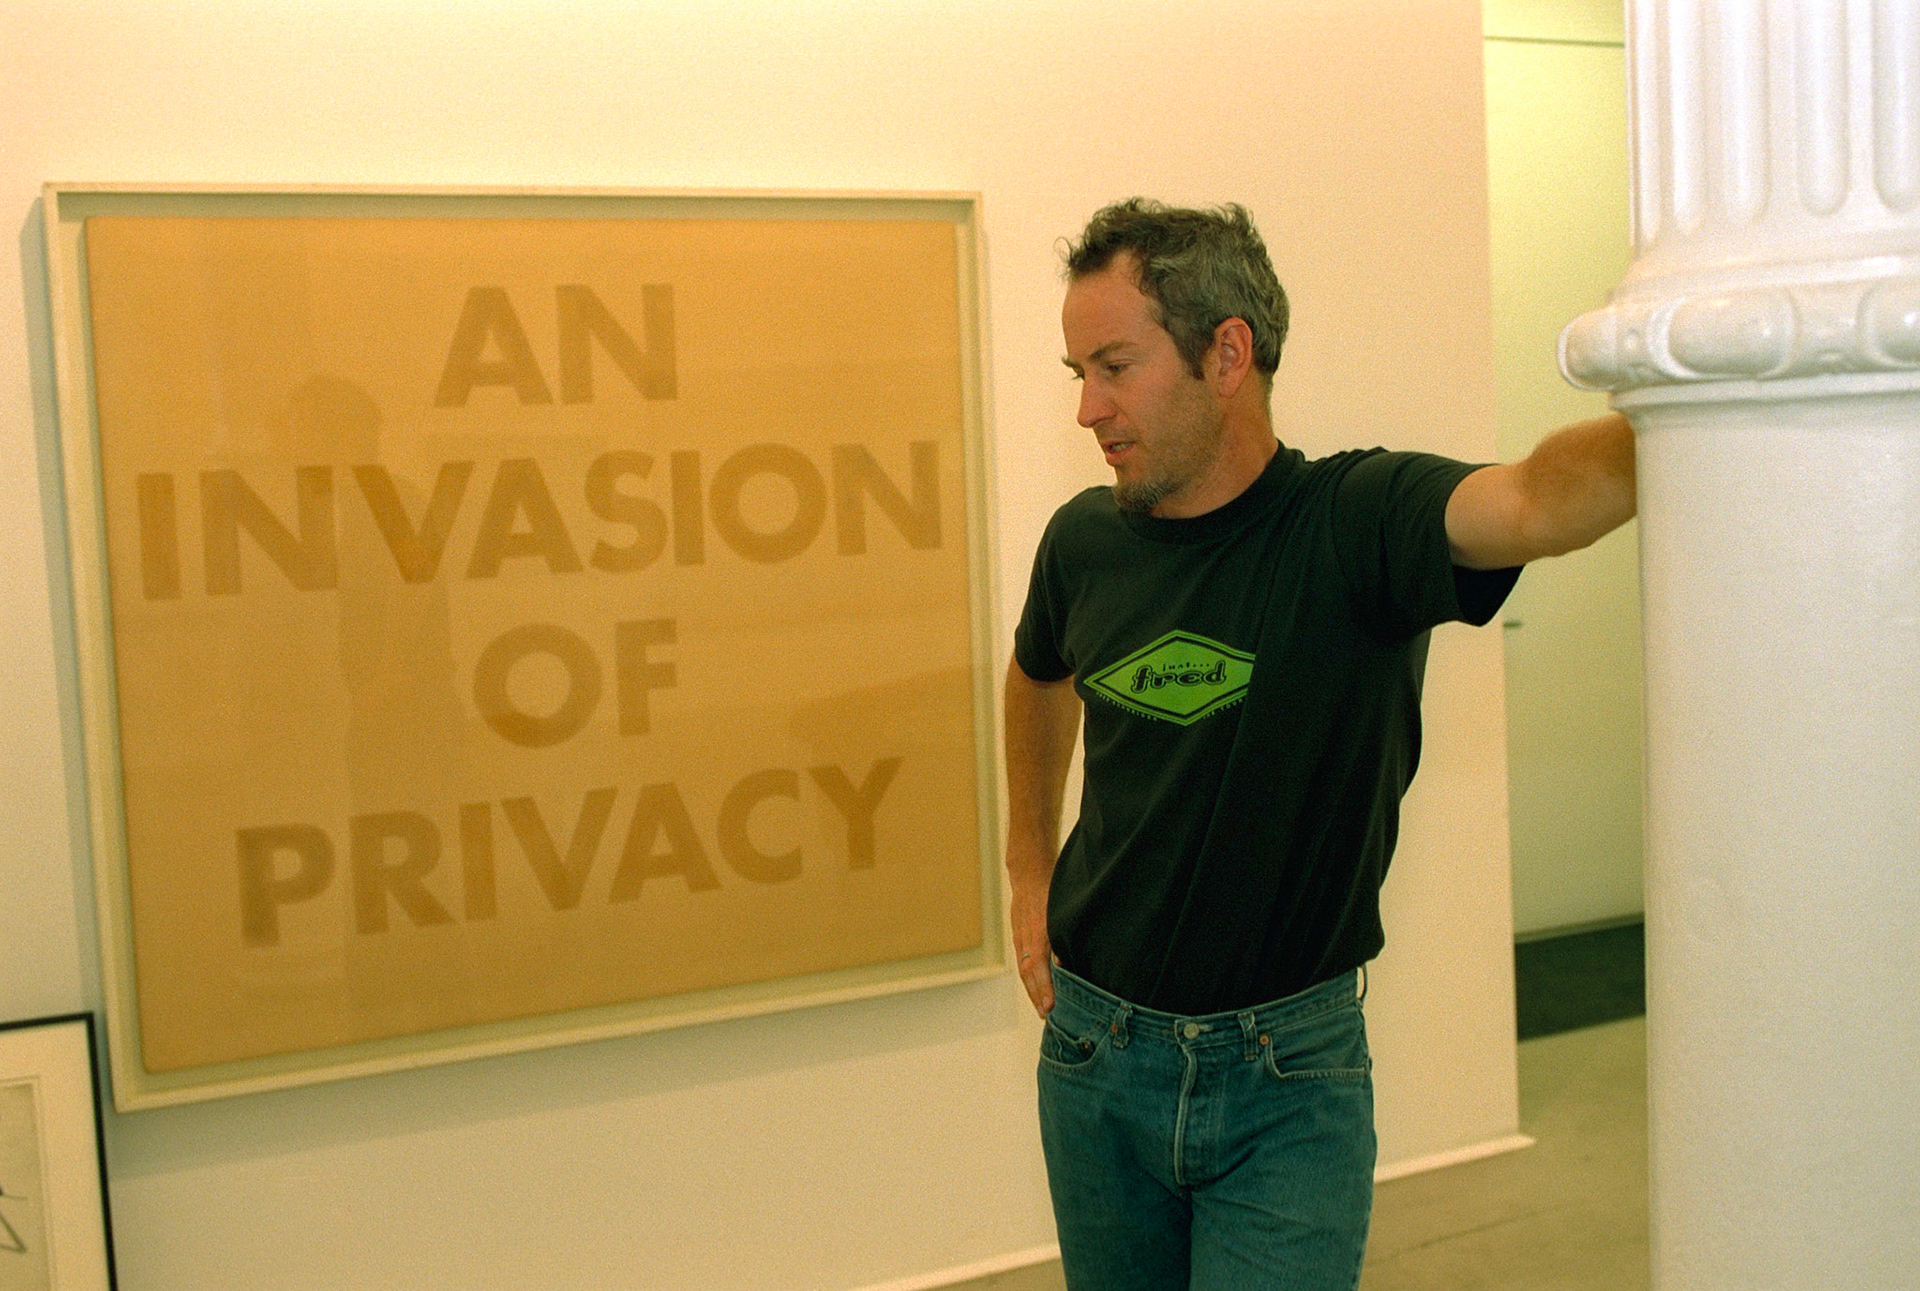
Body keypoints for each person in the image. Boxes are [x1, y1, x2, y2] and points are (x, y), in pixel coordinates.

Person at [1005, 199, 1635, 1290]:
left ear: (1228, 353)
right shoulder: (1084, 541)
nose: (1086, 409)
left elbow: (1537, 501)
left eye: (1112, 365)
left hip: (1286, 1079)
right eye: (1077, 371)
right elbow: (1036, 673)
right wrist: (1026, 862)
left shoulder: (1357, 523)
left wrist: (1720, 389)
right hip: (1096, 1059)